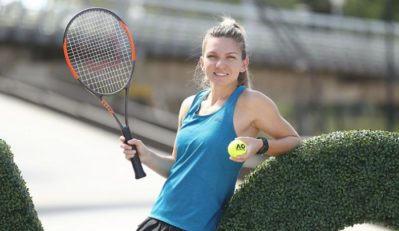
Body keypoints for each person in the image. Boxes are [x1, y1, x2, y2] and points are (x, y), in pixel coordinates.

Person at [120, 17, 301, 231]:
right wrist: (146, 155)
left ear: (244, 63)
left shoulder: (253, 103)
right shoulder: (189, 105)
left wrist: (258, 145)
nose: (220, 64)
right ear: (202, 62)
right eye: (212, 56)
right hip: (159, 219)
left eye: (230, 57)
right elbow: (178, 167)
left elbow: (294, 141)